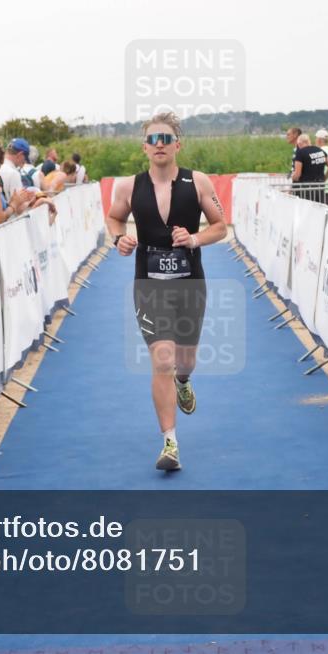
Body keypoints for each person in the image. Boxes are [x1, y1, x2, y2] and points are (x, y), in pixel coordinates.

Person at [105, 112, 227, 472]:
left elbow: (220, 226)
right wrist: (119, 238)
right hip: (148, 285)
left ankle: (184, 380)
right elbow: (114, 218)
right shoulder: (129, 186)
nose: (160, 144)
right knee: (162, 358)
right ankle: (170, 443)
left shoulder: (198, 182)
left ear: (178, 144)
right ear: (144, 146)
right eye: (153, 138)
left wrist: (194, 238)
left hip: (190, 284)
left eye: (166, 138)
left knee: (184, 360)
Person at [291, 133, 328, 202]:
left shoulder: (300, 153)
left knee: (306, 210)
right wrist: (324, 178)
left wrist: (292, 177)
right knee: (318, 208)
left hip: (305, 188)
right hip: (319, 186)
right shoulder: (320, 150)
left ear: (300, 144)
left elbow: (297, 174)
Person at [0, 138, 29, 204]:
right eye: (25, 158)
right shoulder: (13, 173)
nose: (24, 161)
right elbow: (19, 206)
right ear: (20, 154)